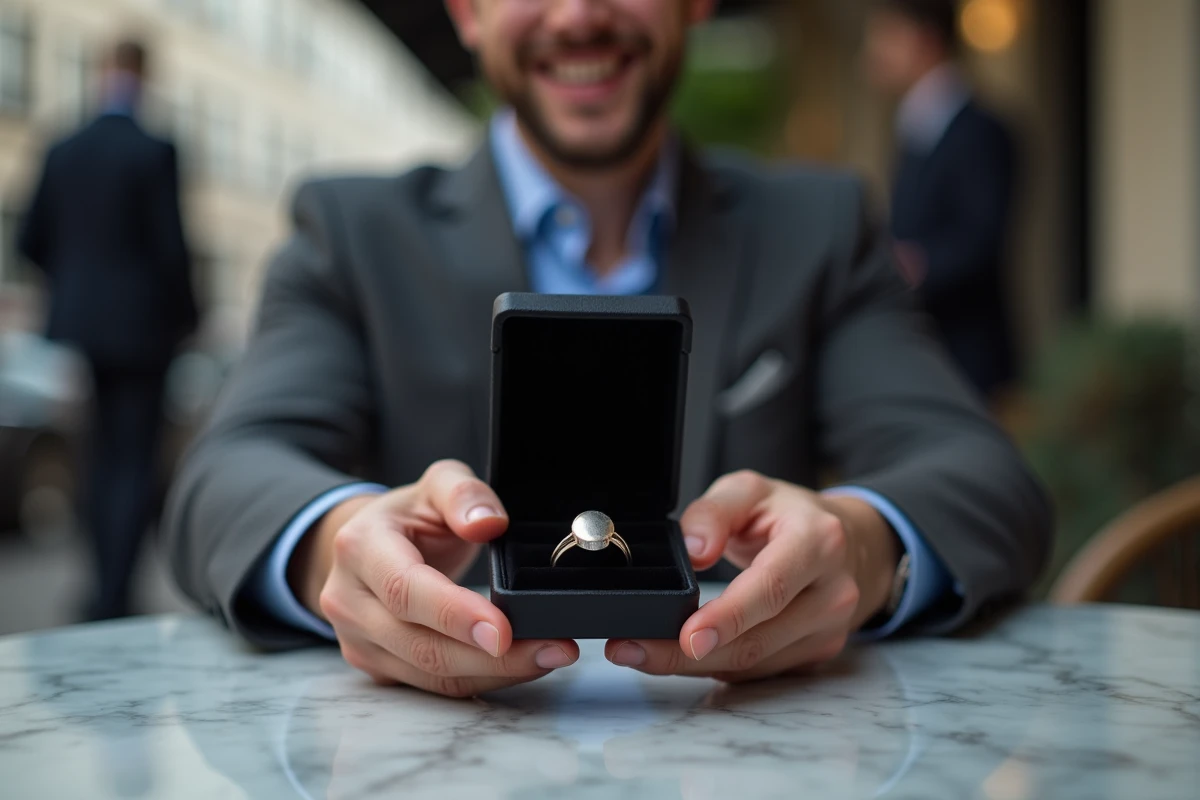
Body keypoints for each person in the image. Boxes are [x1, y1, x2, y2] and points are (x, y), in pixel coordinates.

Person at [165, 0, 1050, 697]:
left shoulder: (818, 230)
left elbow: (982, 475)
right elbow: (226, 474)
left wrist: (861, 546)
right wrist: (336, 549)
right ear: (467, 11)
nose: (579, 12)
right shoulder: (351, 233)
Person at [19, 40, 198, 621]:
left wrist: (76, 288)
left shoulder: (64, 148)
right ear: (143, 78)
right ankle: (116, 593)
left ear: (101, 75)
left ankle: (97, 588)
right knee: (132, 460)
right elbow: (172, 251)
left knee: (95, 457)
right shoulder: (154, 151)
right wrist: (187, 317)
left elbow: (29, 239)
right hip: (144, 333)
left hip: (81, 328)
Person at [864, 0, 1019, 401]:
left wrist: (914, 264)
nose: (874, 50)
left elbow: (982, 237)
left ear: (925, 41)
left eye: (888, 35)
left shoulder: (979, 129)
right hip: (927, 346)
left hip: (969, 350)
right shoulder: (917, 123)